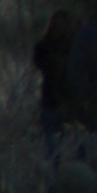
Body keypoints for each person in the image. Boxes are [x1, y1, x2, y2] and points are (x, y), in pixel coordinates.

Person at [32, 11, 79, 139]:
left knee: (53, 146)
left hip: (53, 100)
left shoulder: (43, 46)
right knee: (78, 144)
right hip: (66, 100)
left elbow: (40, 66)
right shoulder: (75, 45)